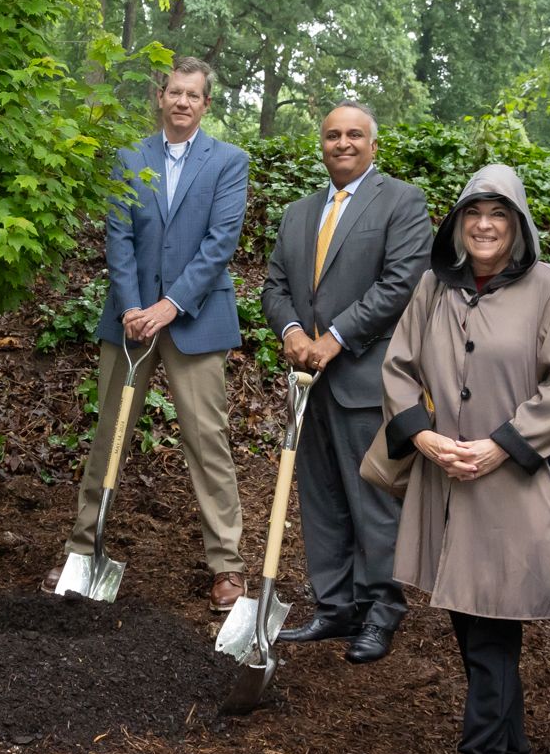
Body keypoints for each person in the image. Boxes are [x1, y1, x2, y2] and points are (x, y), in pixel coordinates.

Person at [379, 164, 550, 754]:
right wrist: (424, 438)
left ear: (518, 223)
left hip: (515, 483)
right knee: (475, 626)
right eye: (473, 213)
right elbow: (397, 367)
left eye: (498, 214)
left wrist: (501, 444)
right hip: (450, 478)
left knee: (494, 628)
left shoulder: (549, 288)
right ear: (457, 222)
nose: (484, 225)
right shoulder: (433, 289)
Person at [46, 55, 252, 612]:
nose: (183, 102)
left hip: (197, 322)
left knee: (208, 443)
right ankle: (84, 550)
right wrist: (135, 307)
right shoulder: (128, 159)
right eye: (174, 92)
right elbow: (119, 239)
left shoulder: (229, 162)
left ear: (206, 105)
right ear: (160, 97)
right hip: (130, 322)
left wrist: (168, 306)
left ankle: (227, 567)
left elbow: (219, 244)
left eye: (194, 95)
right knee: (109, 435)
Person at [260, 104, 430, 663]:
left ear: (373, 145)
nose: (343, 143)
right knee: (322, 497)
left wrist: (334, 337)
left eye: (354, 134)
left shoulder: (401, 202)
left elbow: (401, 283)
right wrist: (290, 331)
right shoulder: (298, 213)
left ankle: (381, 611)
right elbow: (275, 285)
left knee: (373, 500)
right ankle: (334, 608)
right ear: (322, 145)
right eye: (333, 135)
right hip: (308, 379)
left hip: (364, 375)